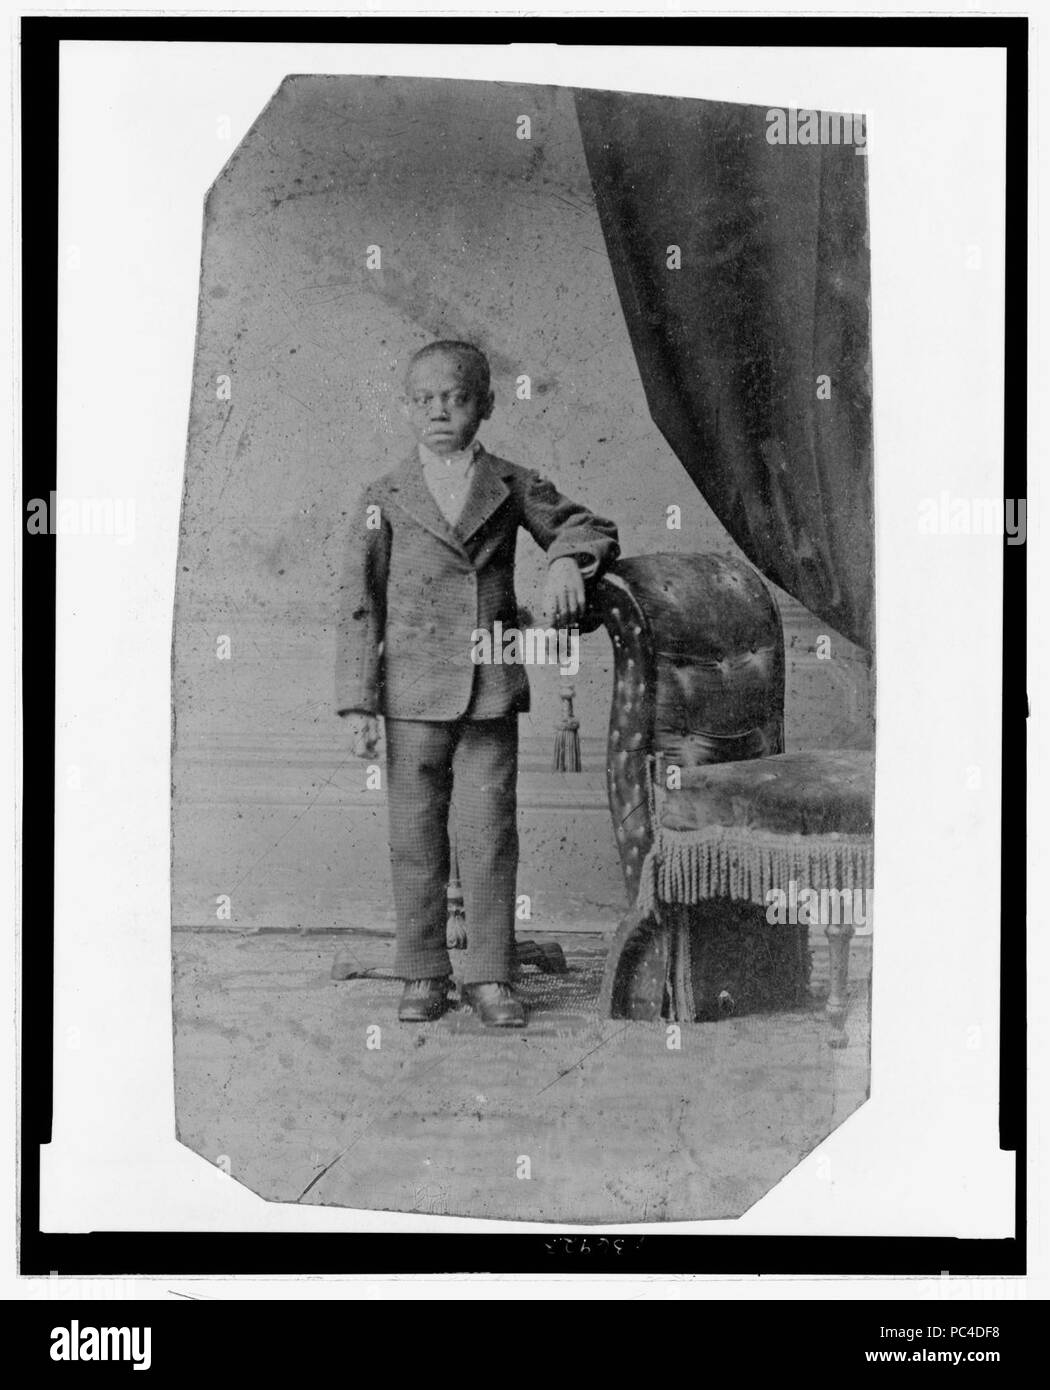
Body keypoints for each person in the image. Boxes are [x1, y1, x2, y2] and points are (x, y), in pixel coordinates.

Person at [335, 341, 619, 1026]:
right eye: (425, 399)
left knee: (489, 833)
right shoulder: (385, 497)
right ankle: (424, 973)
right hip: (411, 694)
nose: (440, 411)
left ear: (485, 405)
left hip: (488, 686)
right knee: (415, 836)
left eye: (457, 397)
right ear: (409, 406)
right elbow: (358, 600)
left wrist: (564, 565)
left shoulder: (511, 483)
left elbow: (589, 527)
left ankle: (490, 976)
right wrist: (357, 702)